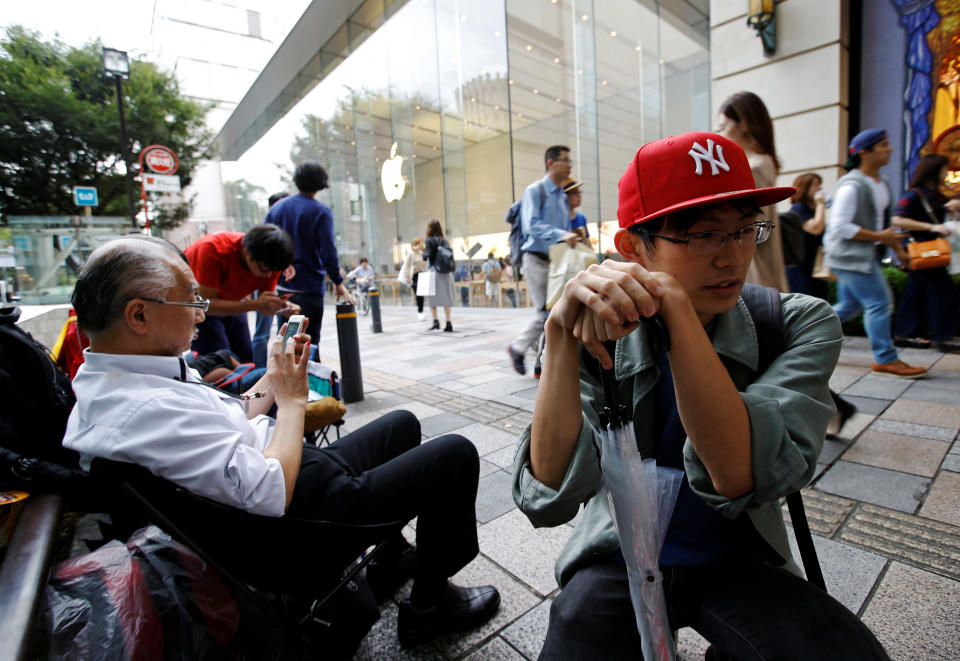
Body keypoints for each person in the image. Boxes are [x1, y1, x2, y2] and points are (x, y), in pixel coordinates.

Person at [511, 131, 890, 660]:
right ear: (633, 247)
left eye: (743, 231)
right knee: (575, 631)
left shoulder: (797, 322)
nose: (731, 257)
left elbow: (736, 473)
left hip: (739, 555)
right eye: (702, 236)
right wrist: (559, 338)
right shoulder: (603, 333)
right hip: (620, 555)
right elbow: (549, 491)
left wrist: (679, 314)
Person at [63, 237, 501, 647]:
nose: (200, 313)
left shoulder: (128, 378)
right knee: (455, 455)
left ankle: (391, 558)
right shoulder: (145, 410)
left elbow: (232, 416)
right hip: (297, 531)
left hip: (292, 480)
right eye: (190, 300)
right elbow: (270, 492)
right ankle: (428, 606)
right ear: (138, 315)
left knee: (402, 423)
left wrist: (271, 383)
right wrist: (290, 404)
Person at [823, 128, 927, 378]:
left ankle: (801, 330)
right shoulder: (852, 185)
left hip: (862, 255)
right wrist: (883, 239)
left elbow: (882, 226)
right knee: (879, 303)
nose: (889, 149)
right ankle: (885, 358)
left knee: (850, 305)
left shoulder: (882, 183)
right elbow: (840, 226)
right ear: (864, 152)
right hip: (847, 257)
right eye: (883, 145)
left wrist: (897, 249)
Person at [507, 145, 580, 377]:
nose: (569, 165)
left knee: (555, 310)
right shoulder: (535, 190)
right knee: (546, 313)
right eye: (565, 160)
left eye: (570, 160)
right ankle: (517, 348)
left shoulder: (562, 197)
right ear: (551, 163)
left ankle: (540, 366)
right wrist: (562, 235)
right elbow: (532, 225)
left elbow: (566, 232)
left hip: (556, 263)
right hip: (535, 260)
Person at [265, 161, 353, 352]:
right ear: (321, 184)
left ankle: (286, 378)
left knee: (286, 340)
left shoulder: (277, 209)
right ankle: (309, 380)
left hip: (281, 286)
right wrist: (338, 282)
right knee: (308, 343)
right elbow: (327, 250)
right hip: (309, 286)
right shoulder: (320, 211)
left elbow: (264, 243)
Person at [185, 224, 300, 363]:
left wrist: (282, 307)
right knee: (218, 363)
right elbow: (205, 305)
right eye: (264, 270)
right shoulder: (213, 250)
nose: (268, 275)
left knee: (245, 358)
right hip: (200, 308)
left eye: (273, 271)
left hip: (234, 301)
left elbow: (265, 306)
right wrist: (254, 305)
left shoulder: (269, 262)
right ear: (247, 253)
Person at [718, 91, 790, 292]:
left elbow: (752, 229)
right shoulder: (764, 162)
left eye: (724, 127)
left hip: (754, 268)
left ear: (744, 124)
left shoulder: (753, 169)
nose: (721, 135)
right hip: (760, 265)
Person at [891, 154, 960, 353]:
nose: (946, 174)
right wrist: (931, 227)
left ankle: (905, 334)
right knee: (942, 291)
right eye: (944, 169)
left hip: (931, 251)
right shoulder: (914, 194)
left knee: (915, 292)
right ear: (934, 170)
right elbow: (898, 220)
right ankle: (943, 336)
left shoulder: (936, 195)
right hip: (924, 251)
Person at [252, 192, 293, 368]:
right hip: (264, 288)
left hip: (282, 287)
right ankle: (260, 372)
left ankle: (281, 369)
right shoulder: (265, 235)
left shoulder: (287, 230)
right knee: (262, 332)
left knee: (285, 331)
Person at [785, 173, 829, 300]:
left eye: (820, 185)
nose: (819, 189)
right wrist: (821, 204)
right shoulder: (799, 209)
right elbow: (816, 228)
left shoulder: (813, 211)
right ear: (805, 188)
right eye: (815, 185)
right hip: (800, 270)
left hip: (815, 269)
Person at [423, 220, 456, 331]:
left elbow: (428, 255)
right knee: (446, 296)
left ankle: (436, 321)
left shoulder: (429, 241)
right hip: (446, 272)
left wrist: (423, 253)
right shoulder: (444, 241)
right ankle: (448, 322)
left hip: (434, 271)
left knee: (432, 297)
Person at [410, 238, 427, 321]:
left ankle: (421, 310)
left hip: (422, 274)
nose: (422, 245)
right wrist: (407, 278)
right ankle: (420, 311)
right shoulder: (411, 254)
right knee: (418, 294)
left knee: (421, 294)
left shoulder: (422, 253)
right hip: (414, 275)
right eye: (421, 243)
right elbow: (406, 266)